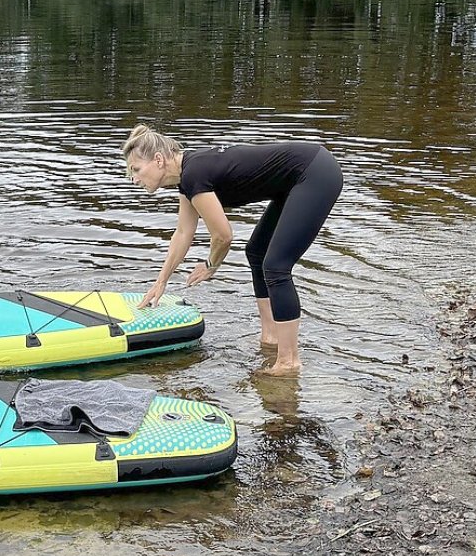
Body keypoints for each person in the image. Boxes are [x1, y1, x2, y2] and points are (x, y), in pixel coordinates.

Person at [122, 125, 341, 374]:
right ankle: (270, 338)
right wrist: (161, 282)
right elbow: (183, 233)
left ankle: (289, 361)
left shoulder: (194, 174)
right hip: (297, 178)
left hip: (314, 172)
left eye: (136, 170)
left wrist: (210, 265)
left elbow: (223, 236)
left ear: (158, 160)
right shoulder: (187, 179)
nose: (134, 179)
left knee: (276, 266)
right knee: (257, 252)